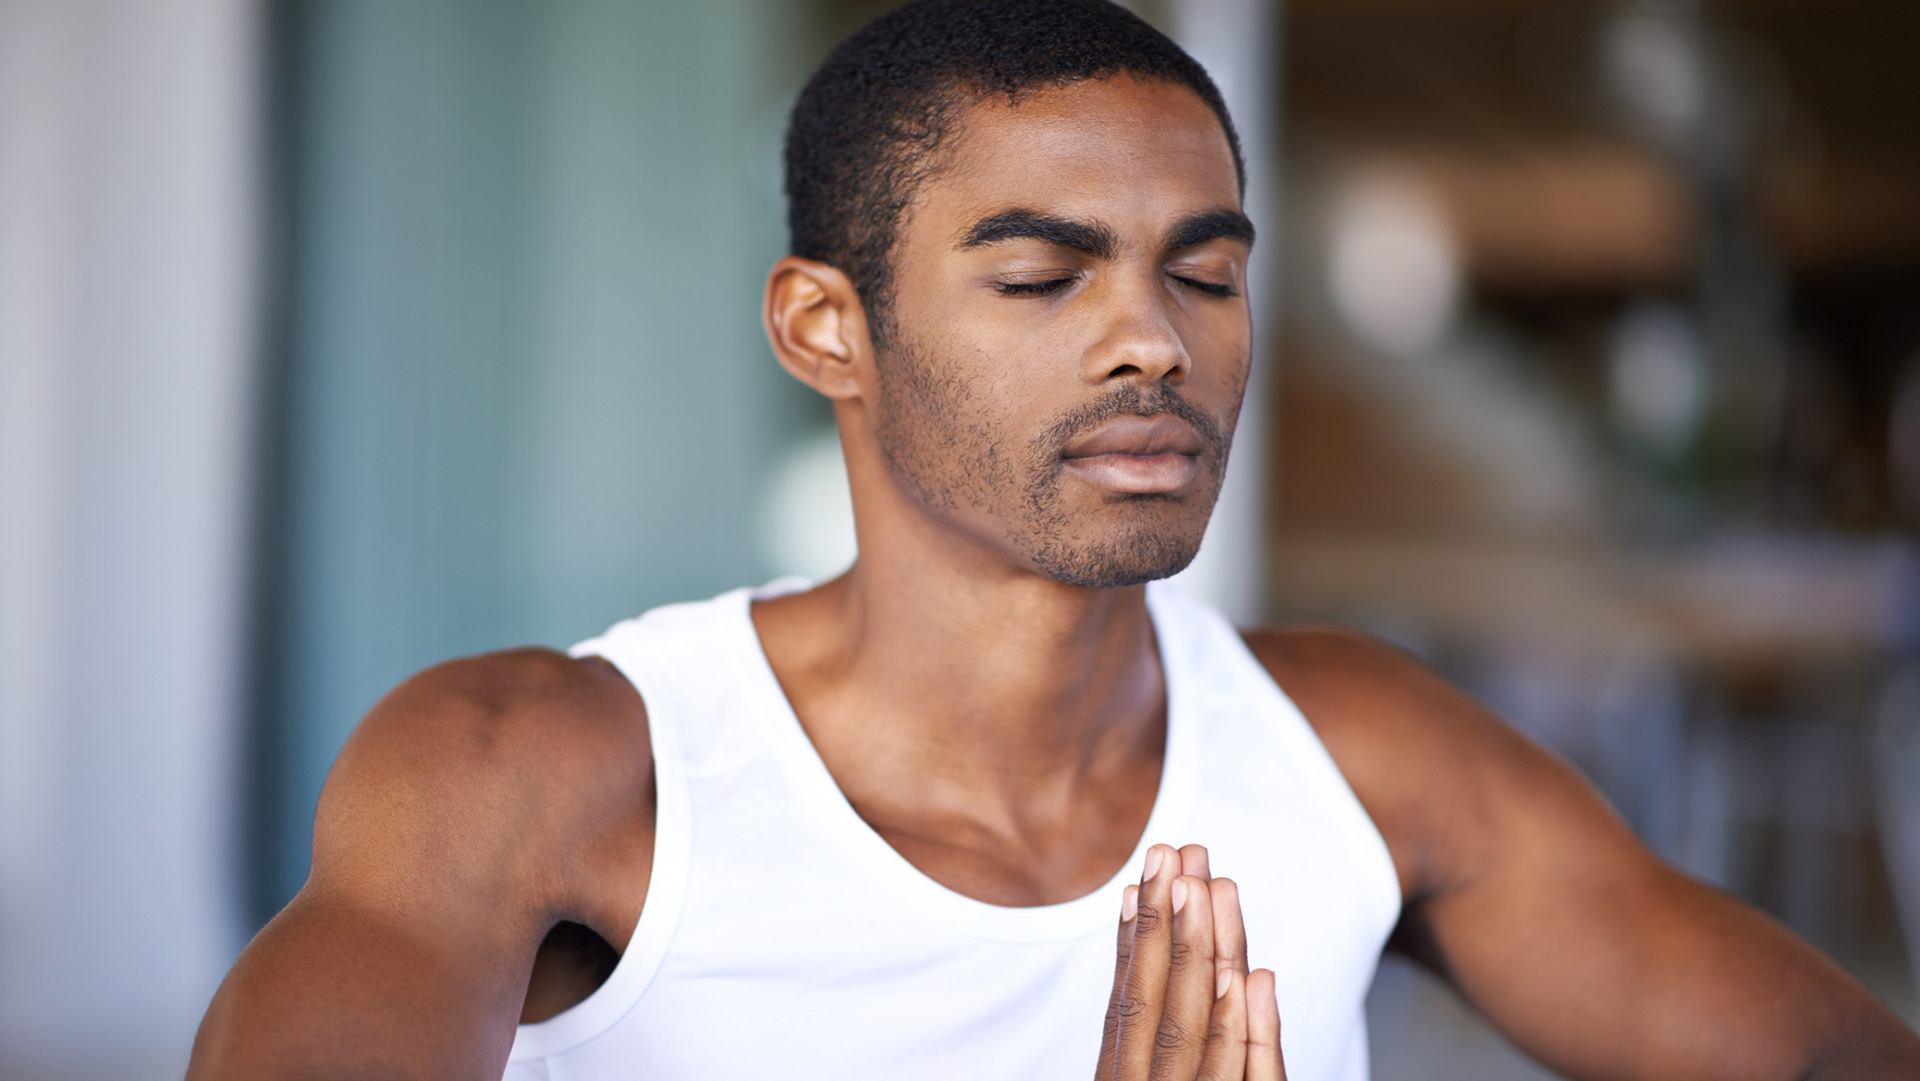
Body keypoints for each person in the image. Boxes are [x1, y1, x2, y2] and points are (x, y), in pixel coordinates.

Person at [188, 1, 1920, 1078]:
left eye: (1208, 271)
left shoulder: (1361, 748)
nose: (1153, 338)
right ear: (822, 329)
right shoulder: (532, 773)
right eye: (1041, 275)